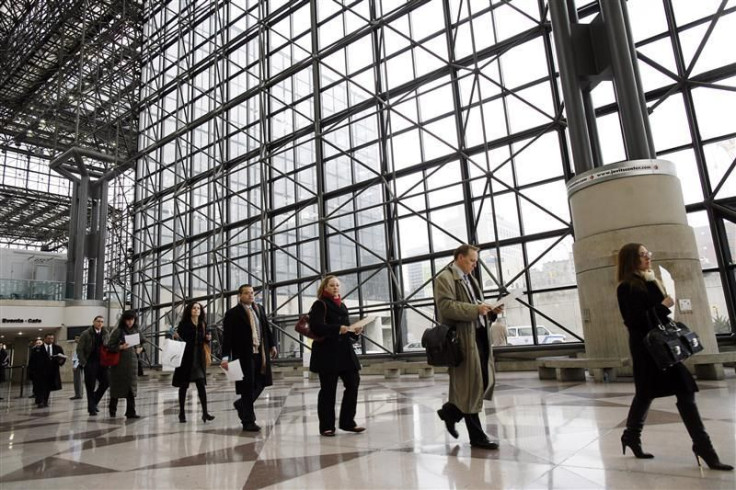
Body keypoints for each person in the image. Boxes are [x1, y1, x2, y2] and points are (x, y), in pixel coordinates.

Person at [616, 243, 732, 471]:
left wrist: (662, 305)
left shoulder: (651, 280)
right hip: (647, 349)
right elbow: (634, 321)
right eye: (642, 255)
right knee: (661, 392)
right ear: (632, 260)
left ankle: (633, 436)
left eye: (648, 253)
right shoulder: (626, 287)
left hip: (662, 347)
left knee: (654, 393)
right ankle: (704, 448)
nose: (648, 257)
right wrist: (662, 305)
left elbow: (657, 317)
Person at [434, 244, 503, 450]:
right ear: (460, 257)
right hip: (463, 341)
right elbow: (446, 307)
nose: (475, 264)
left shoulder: (470, 279)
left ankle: (450, 412)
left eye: (476, 261)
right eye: (472, 260)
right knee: (471, 385)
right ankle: (477, 437)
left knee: (477, 383)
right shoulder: (444, 278)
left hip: (478, 337)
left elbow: (477, 305)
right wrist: (476, 309)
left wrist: (491, 310)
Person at [308, 275, 365, 437]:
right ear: (325, 288)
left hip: (345, 353)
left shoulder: (343, 306)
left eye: (337, 285)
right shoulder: (320, 304)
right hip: (327, 354)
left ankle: (347, 422)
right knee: (328, 390)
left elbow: (346, 329)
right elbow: (316, 326)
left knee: (353, 383)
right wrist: (337, 328)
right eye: (332, 285)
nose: (335, 288)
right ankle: (327, 426)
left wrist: (355, 332)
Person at [222, 284, 277, 432]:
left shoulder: (259, 309)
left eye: (252, 293)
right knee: (247, 387)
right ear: (240, 296)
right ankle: (248, 421)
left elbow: (266, 328)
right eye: (246, 293)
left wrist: (272, 345)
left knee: (262, 382)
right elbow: (227, 337)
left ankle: (241, 404)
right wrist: (225, 357)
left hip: (261, 353)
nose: (250, 295)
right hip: (244, 355)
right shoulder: (233, 313)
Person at [172, 302, 214, 423]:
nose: (196, 310)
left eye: (198, 308)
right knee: (183, 386)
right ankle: (181, 413)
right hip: (186, 357)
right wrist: (176, 336)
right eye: (194, 308)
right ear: (190, 310)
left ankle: (205, 413)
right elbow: (179, 339)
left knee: (201, 385)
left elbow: (205, 340)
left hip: (198, 357)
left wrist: (208, 339)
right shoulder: (184, 324)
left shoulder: (203, 324)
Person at [106, 310, 144, 419]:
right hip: (119, 364)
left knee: (131, 389)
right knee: (117, 387)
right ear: (124, 320)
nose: (130, 322)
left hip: (132, 364)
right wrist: (120, 347)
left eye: (132, 320)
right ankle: (112, 410)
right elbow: (109, 346)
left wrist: (140, 348)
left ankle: (131, 411)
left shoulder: (137, 330)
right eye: (128, 320)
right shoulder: (118, 331)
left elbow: (142, 342)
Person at [77, 315, 110, 416]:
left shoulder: (106, 333)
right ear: (93, 322)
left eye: (102, 322)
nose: (100, 323)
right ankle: (91, 408)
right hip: (90, 362)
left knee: (106, 382)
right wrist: (84, 362)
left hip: (102, 363)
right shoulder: (86, 334)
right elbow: (79, 349)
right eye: (98, 321)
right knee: (90, 386)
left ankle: (94, 401)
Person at [27, 333, 66, 408]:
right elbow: (32, 361)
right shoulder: (37, 349)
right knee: (40, 387)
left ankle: (45, 401)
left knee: (48, 387)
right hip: (40, 372)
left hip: (51, 371)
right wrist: (31, 372)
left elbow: (62, 358)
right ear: (44, 339)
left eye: (52, 338)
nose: (50, 340)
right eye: (48, 338)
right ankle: (40, 401)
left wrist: (61, 361)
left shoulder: (57, 348)